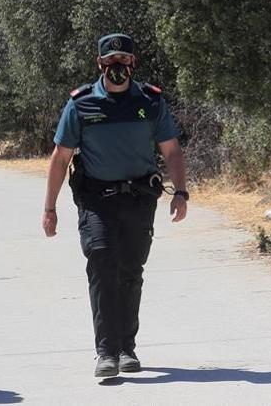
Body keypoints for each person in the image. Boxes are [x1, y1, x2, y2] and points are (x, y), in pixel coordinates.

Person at [41, 33, 188, 378]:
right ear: (100, 64)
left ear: (133, 63)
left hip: (139, 198)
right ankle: (106, 352)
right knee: (103, 262)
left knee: (131, 271)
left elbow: (171, 151)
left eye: (123, 60)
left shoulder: (151, 102)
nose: (117, 67)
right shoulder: (81, 104)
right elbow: (60, 158)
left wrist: (181, 193)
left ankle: (126, 347)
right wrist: (50, 208)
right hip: (96, 200)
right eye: (110, 62)